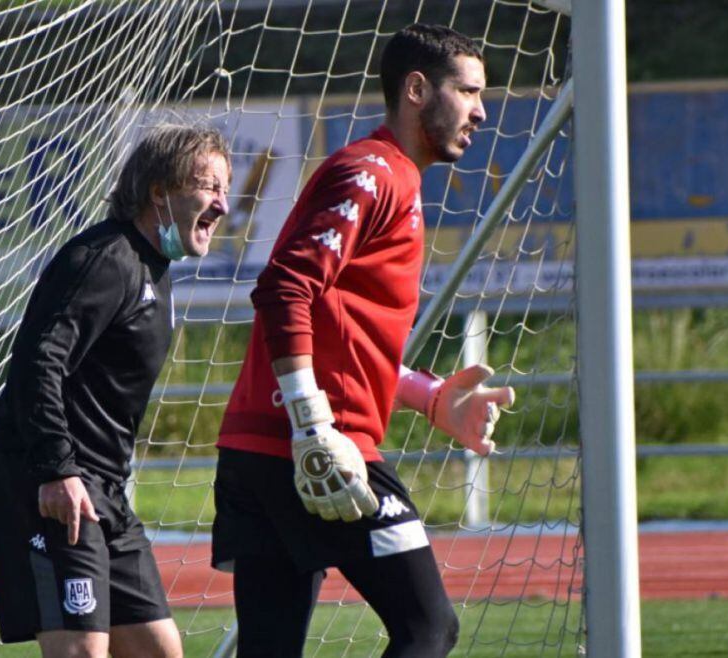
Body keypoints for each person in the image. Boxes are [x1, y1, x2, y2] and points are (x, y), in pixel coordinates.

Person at [211, 24, 515, 658]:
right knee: (429, 627)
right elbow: (285, 288)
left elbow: (341, 332)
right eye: (468, 91)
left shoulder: (386, 175)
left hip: (263, 448)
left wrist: (429, 397)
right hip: (311, 448)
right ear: (415, 89)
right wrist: (312, 424)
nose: (482, 111)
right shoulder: (373, 171)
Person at [0, 125, 230, 658]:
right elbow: (38, 360)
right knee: (83, 652)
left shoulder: (152, 269)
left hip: (104, 491)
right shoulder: (104, 259)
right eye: (209, 186)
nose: (222, 205)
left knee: (159, 651)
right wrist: (56, 470)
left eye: (225, 191)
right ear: (160, 192)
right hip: (51, 485)